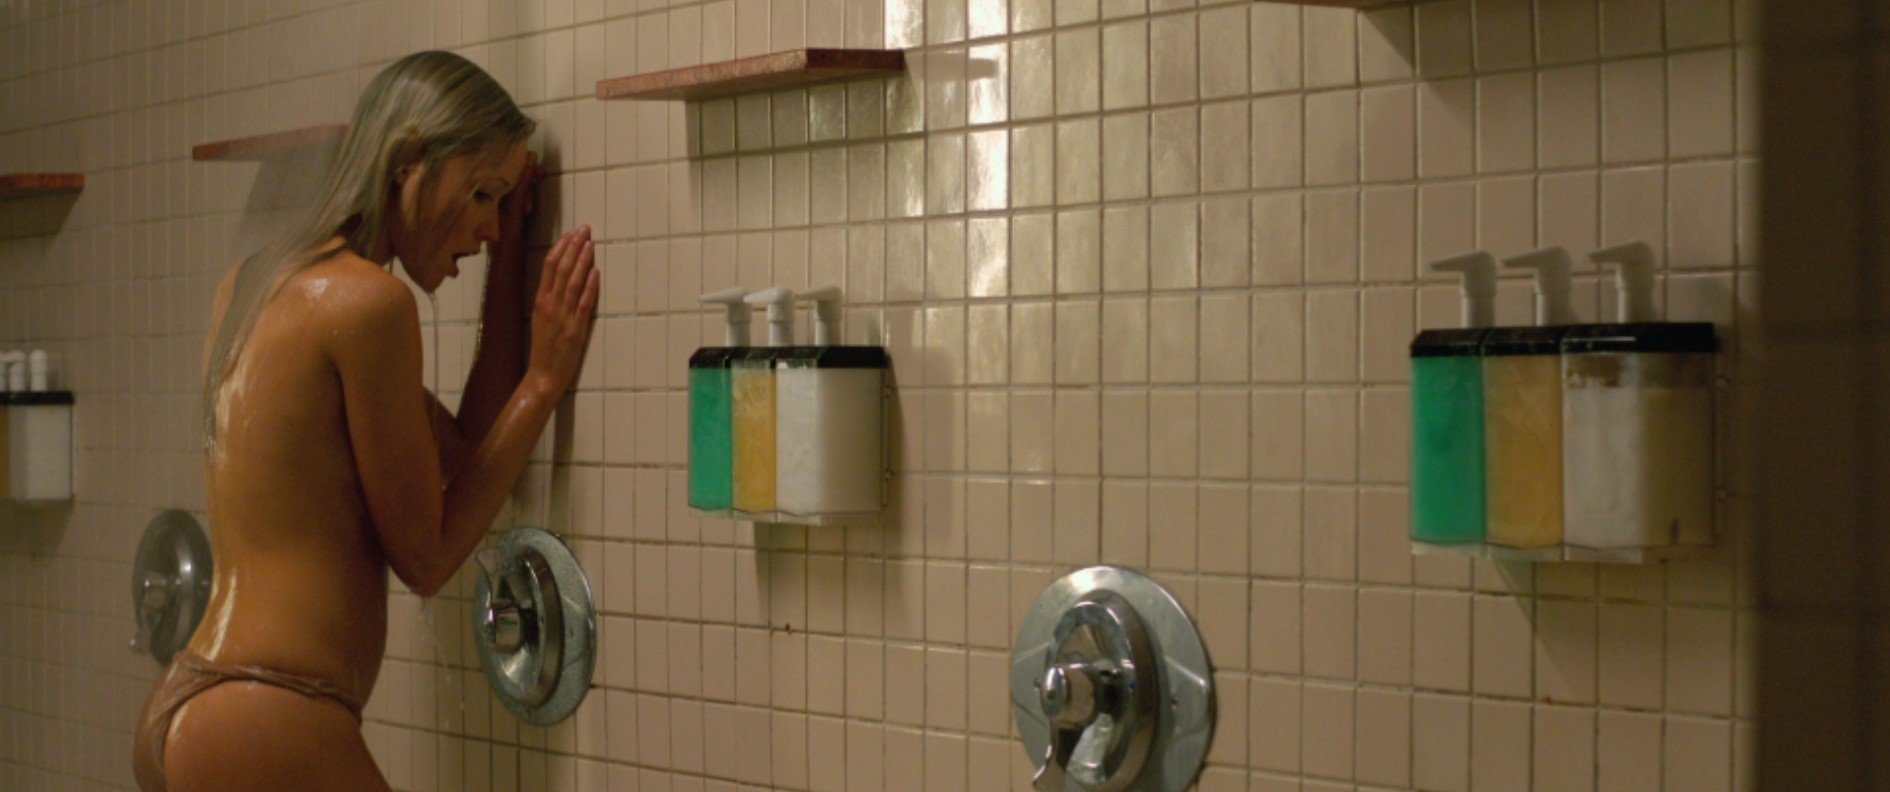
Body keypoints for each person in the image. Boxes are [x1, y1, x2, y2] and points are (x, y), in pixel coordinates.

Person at [131, 50, 598, 791]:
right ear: (408, 160)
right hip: (267, 711)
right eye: (481, 193)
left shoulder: (256, 284)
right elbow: (428, 557)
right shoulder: (369, 306)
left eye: (501, 202)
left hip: (198, 698)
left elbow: (466, 452)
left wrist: (511, 257)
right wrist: (543, 383)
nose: (486, 224)